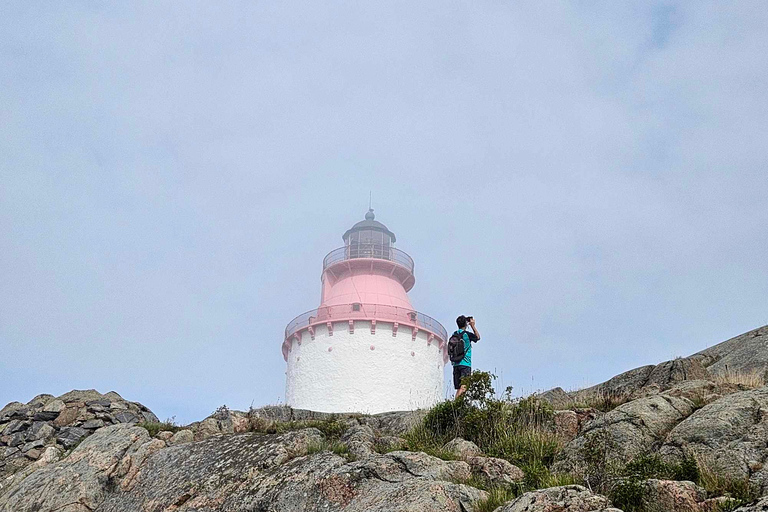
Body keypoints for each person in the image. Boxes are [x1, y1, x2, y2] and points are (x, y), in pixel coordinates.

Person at [452, 315, 480, 399]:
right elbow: (478, 337)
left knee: (459, 388)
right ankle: (456, 404)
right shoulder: (467, 334)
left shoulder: (454, 334)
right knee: (464, 387)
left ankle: (455, 406)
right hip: (465, 364)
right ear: (466, 324)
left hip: (456, 364)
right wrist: (473, 326)